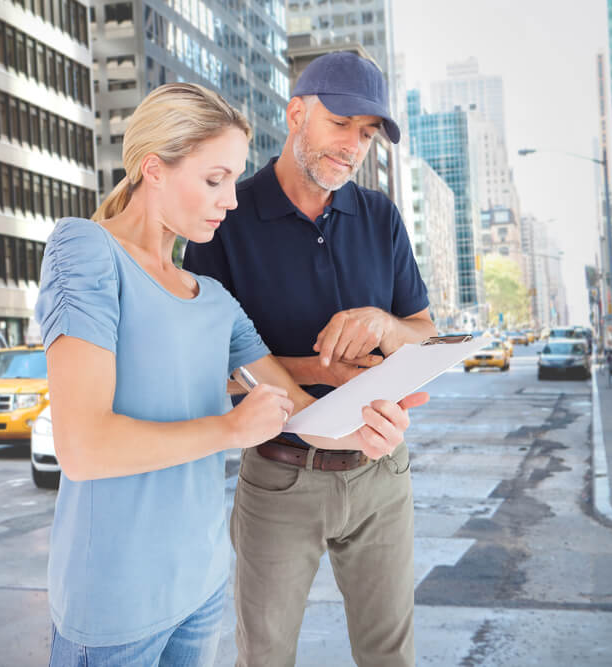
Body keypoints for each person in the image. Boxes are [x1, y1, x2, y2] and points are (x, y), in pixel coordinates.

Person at [35, 81, 427, 667]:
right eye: (215, 179)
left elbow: (294, 408)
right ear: (154, 169)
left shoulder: (213, 298)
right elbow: (83, 448)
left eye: (234, 179)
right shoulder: (85, 249)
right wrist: (230, 431)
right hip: (115, 595)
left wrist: (366, 431)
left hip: (199, 586)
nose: (232, 199)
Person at [183, 51, 438, 667]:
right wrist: (314, 371)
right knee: (264, 657)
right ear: (296, 113)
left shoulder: (380, 216)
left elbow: (426, 334)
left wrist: (386, 326)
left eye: (367, 134)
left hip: (381, 473)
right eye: (341, 124)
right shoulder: (226, 218)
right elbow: (205, 369)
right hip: (278, 474)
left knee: (390, 656)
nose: (353, 146)